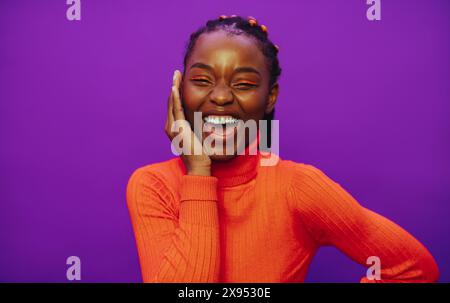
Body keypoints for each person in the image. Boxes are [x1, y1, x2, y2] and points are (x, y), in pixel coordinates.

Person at [126, 15, 439, 282]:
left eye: (244, 84)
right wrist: (198, 171)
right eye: (202, 80)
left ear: (270, 97)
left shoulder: (298, 187)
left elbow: (415, 268)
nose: (220, 97)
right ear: (179, 89)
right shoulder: (153, 186)